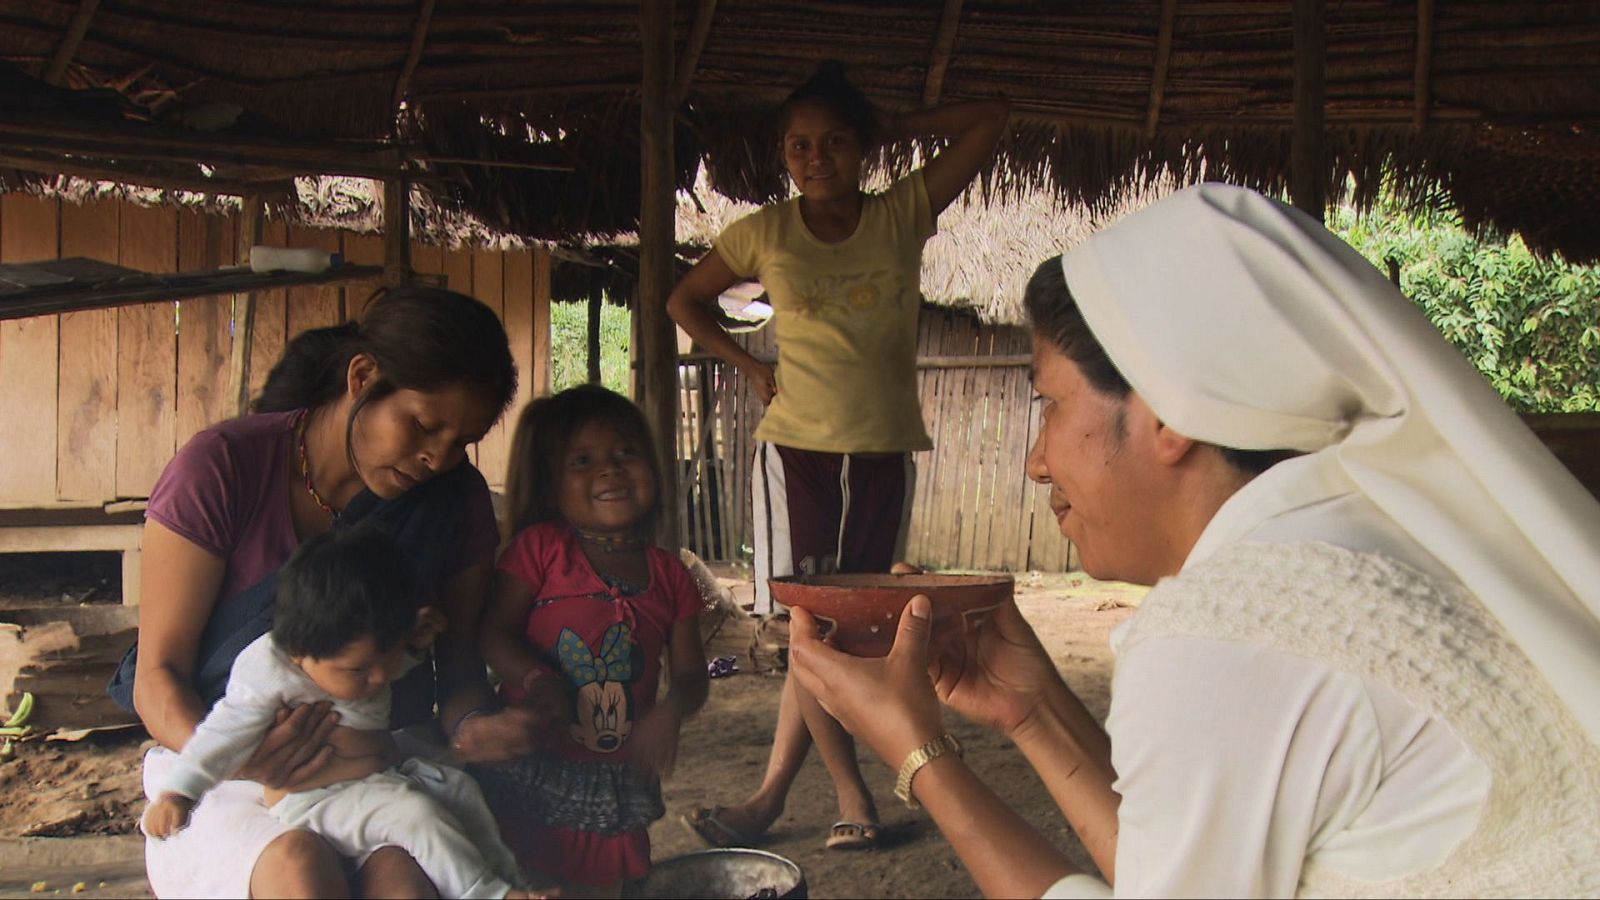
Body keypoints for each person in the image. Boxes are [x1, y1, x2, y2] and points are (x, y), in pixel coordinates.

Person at [788, 184, 1600, 897]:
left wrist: (918, 754)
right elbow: (1174, 873)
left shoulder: (1233, 629)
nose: (1036, 461)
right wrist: (1034, 711)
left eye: (1051, 404)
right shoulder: (1365, 536)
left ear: (1165, 411)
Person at [666, 61, 1010, 852]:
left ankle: (767, 800)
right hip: (798, 455)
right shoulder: (764, 232)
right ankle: (852, 796)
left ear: (861, 146)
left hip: (882, 453)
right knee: (808, 629)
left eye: (834, 141)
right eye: (799, 145)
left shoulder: (903, 212)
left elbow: (992, 116)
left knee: (846, 634)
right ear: (782, 153)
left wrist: (896, 127)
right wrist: (748, 366)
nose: (815, 157)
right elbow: (683, 299)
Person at [108, 285, 549, 898]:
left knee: (406, 880)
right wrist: (245, 759)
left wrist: (475, 725)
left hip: (376, 764)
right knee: (299, 869)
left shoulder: (455, 501)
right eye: (422, 426)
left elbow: (458, 670)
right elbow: (157, 678)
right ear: (362, 377)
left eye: (460, 443)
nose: (437, 458)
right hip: (222, 771)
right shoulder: (223, 469)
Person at [142, 526, 541, 899]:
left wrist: (413, 647)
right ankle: (487, 894)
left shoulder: (356, 653)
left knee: (461, 793)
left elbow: (379, 663)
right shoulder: (269, 672)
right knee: (415, 815)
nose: (380, 677)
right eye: (359, 670)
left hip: (378, 781)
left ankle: (511, 880)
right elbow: (223, 732)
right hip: (317, 802)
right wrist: (180, 792)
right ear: (300, 653)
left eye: (387, 658)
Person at [475, 384, 710, 895]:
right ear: (550, 484)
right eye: (583, 461)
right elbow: (494, 633)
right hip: (531, 764)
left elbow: (692, 674)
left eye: (626, 452)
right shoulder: (540, 550)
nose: (610, 470)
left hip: (613, 782)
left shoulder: (671, 575)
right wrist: (538, 681)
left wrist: (671, 710)